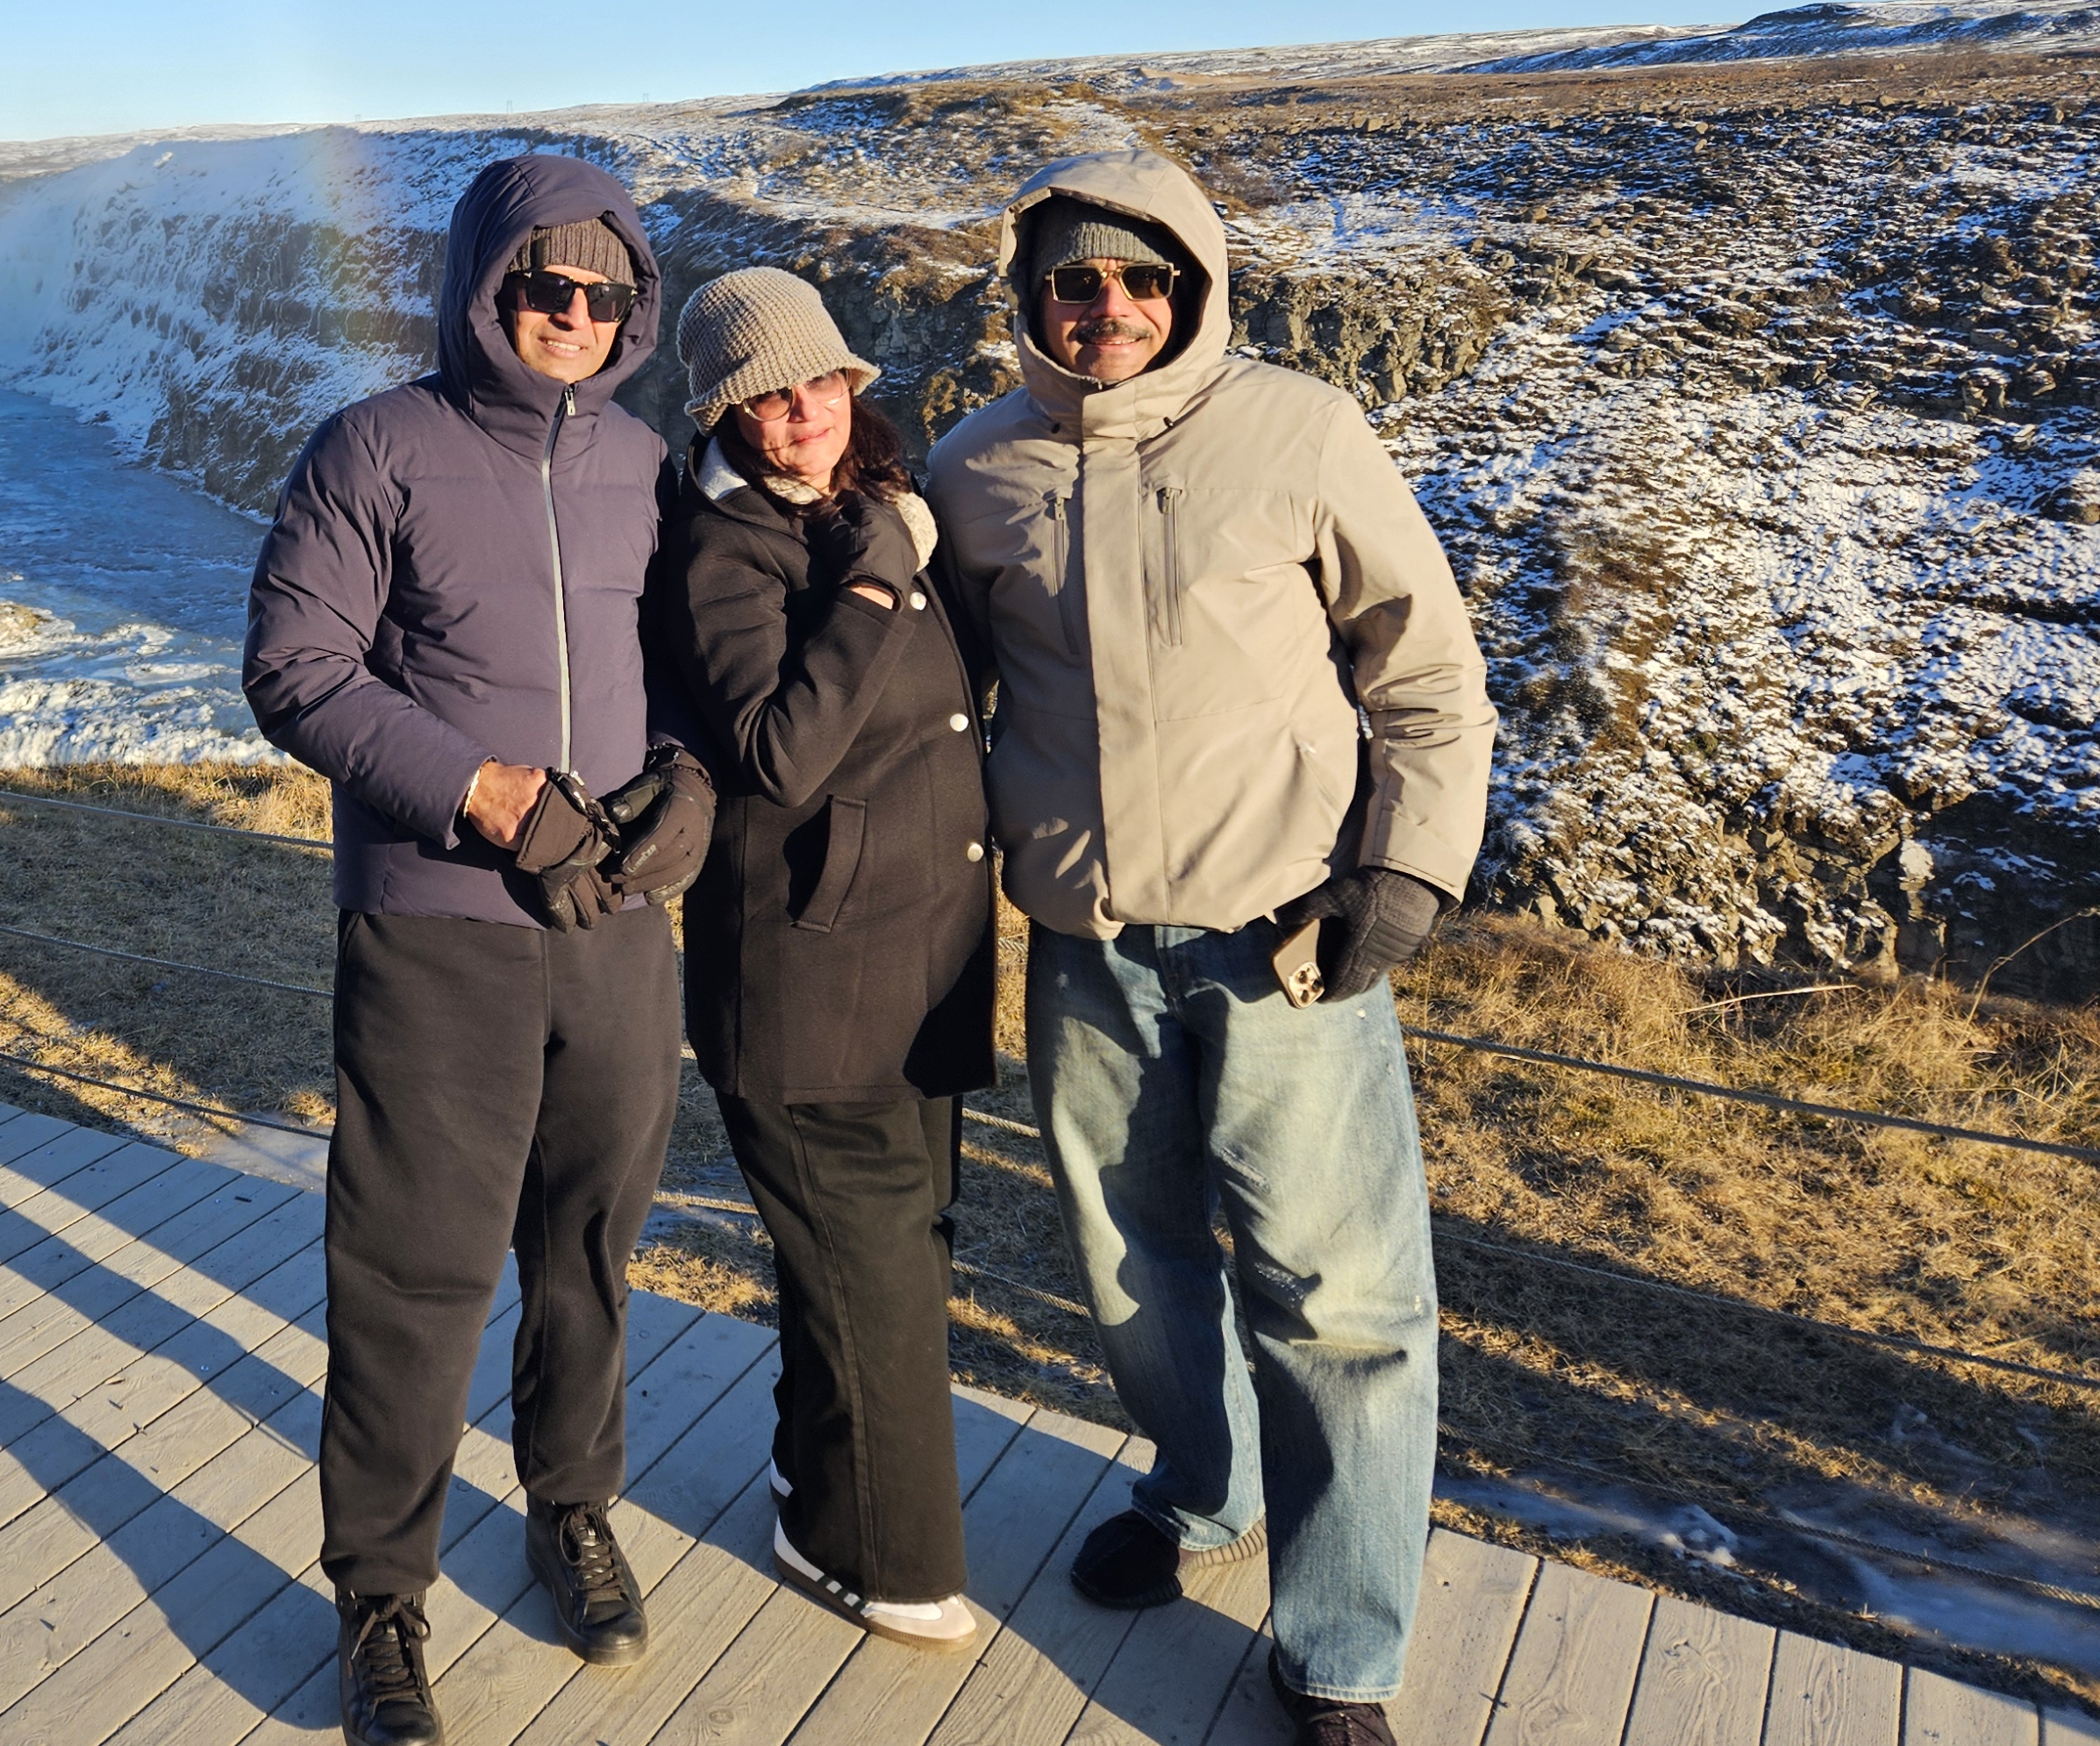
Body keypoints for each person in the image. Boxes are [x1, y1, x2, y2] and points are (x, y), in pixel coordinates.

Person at [925, 147, 1495, 1746]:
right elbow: (931, 696)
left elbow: (1423, 670)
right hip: (1088, 949)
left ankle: (1341, 1655)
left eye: (1141, 276)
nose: (1106, 305)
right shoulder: (975, 469)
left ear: (1192, 286)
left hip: (1287, 939)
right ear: (1030, 295)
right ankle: (1205, 1493)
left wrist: (1407, 869)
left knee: (1339, 1301)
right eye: (1073, 278)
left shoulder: (1299, 431)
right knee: (1133, 1269)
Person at [243, 153, 712, 1746]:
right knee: (412, 1271)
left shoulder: (645, 461)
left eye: (603, 291)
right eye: (541, 285)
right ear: (482, 286)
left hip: (616, 930)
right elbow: (298, 667)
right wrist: (482, 791)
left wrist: (690, 782)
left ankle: (570, 1509)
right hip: (440, 926)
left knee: (590, 1246)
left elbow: (681, 664)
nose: (571, 313)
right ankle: (381, 1595)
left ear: (634, 306)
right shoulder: (377, 445)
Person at [652, 268, 996, 1651]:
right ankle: (884, 1559)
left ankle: (809, 1487)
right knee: (882, 1286)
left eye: (821, 383)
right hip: (808, 982)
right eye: (767, 398)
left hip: (919, 961)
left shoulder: (874, 503)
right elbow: (778, 755)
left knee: (886, 1254)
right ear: (722, 415)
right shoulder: (725, 550)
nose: (803, 415)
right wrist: (872, 580)